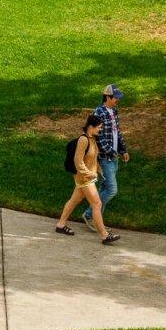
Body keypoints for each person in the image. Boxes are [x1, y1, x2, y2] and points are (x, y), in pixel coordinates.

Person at [55, 114, 121, 245]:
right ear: (91, 127)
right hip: (84, 177)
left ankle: (60, 225)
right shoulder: (83, 140)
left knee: (74, 200)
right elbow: (78, 161)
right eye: (99, 127)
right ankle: (104, 235)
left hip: (88, 176)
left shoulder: (92, 139)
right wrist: (89, 174)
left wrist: (99, 171)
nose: (100, 130)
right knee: (97, 204)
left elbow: (93, 159)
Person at [83, 84, 129, 226]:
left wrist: (123, 150)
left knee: (104, 188)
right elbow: (98, 137)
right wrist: (112, 151)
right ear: (107, 97)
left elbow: (117, 132)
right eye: (115, 98)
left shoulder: (114, 111)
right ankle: (89, 215)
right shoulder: (99, 112)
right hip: (105, 157)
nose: (117, 100)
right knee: (112, 190)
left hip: (113, 156)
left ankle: (97, 220)